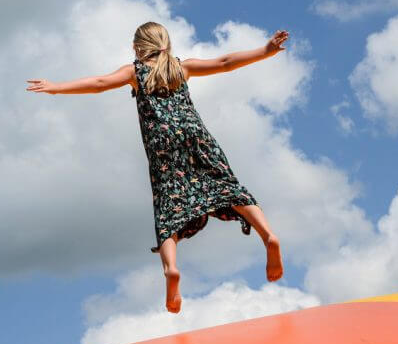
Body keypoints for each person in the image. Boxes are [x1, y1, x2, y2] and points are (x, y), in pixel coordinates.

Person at [26, 21, 288, 313]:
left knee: (168, 207)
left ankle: (171, 270)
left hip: (162, 146)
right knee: (229, 186)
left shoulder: (134, 73)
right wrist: (266, 50)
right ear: (166, 43)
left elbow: (99, 84)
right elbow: (225, 63)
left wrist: (56, 88)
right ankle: (268, 235)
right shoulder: (181, 68)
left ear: (138, 47)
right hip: (195, 135)